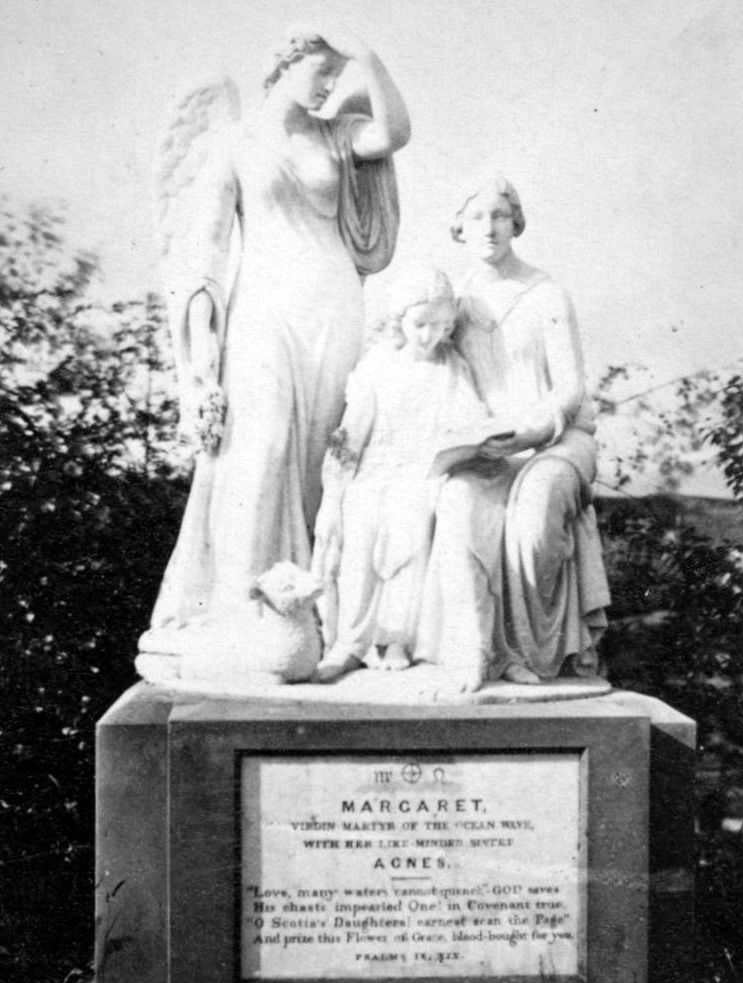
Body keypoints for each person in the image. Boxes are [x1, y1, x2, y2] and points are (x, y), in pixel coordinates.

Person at [139, 27, 409, 660]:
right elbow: (203, 250)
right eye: (320, 70)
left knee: (325, 457)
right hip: (263, 310)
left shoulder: (338, 136)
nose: (328, 84)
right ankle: (240, 610)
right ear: (284, 65)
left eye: (337, 74)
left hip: (334, 306)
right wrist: (201, 362)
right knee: (259, 448)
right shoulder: (233, 141)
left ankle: (311, 621)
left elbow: (393, 131)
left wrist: (366, 54)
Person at [417, 175, 610, 692]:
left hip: (555, 439)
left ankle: (539, 654)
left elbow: (570, 388)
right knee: (456, 506)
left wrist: (533, 431)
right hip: (489, 448)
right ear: (459, 227)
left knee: (535, 512)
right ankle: (480, 651)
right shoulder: (451, 299)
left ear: (516, 223)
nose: (489, 227)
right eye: (477, 217)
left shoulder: (546, 293)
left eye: (500, 215)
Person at [312, 268, 502, 682]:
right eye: (419, 324)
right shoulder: (379, 365)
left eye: (439, 325)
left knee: (412, 527)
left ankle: (393, 638)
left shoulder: (453, 367)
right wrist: (334, 493)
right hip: (372, 472)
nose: (428, 336)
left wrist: (474, 439)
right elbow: (349, 437)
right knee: (359, 535)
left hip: (423, 475)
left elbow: (471, 421)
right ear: (399, 319)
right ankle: (349, 641)